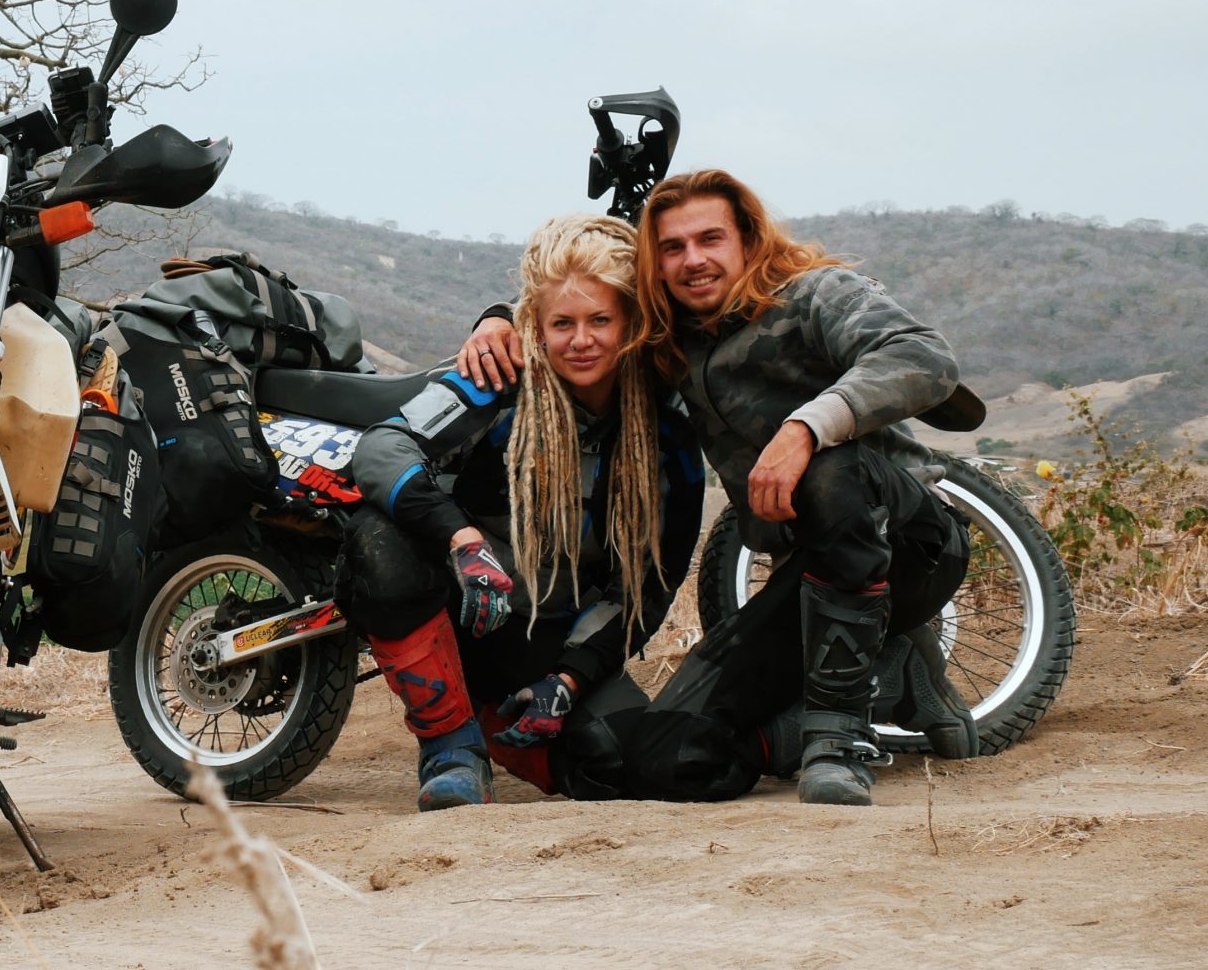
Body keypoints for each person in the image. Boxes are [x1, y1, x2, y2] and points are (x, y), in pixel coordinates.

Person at [462, 171, 975, 806]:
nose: (693, 259)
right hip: (807, 579)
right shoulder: (667, 334)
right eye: (672, 248)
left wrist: (807, 428)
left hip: (909, 540)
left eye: (710, 239)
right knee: (662, 759)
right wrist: (498, 320)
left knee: (828, 469)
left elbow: (925, 356)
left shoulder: (815, 294)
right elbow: (577, 298)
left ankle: (838, 743)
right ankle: (889, 676)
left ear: (748, 239)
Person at [345, 214, 706, 809]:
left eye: (600, 321)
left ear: (632, 325)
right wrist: (460, 536)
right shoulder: (496, 381)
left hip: (544, 639)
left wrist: (567, 680)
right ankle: (450, 749)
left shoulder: (666, 434)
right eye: (562, 323)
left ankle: (496, 722)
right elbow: (384, 445)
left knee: (623, 765)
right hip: (457, 611)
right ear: (535, 329)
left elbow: (647, 584)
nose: (580, 340)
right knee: (378, 542)